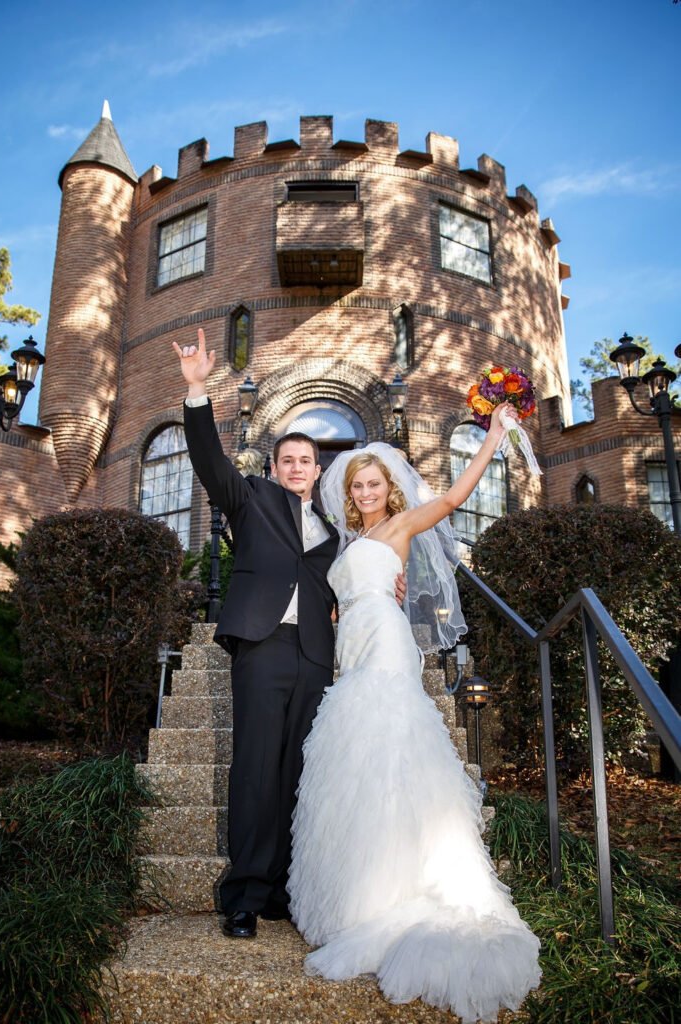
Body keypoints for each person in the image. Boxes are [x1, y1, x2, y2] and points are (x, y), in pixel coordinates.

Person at [288, 406, 541, 1023]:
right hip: (353, 650)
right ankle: (361, 887)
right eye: (357, 486)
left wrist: (494, 438)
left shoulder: (402, 525)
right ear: (349, 494)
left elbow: (454, 497)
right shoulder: (348, 542)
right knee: (357, 766)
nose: (366, 492)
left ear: (390, 488)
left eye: (374, 483)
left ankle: (403, 888)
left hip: (387, 648)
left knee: (392, 752)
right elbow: (344, 592)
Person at [172, 330, 404, 939]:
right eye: (287, 461)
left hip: (315, 657)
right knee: (253, 767)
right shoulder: (250, 500)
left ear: (318, 469)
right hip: (262, 647)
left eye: (306, 461)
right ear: (274, 469)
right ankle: (243, 895)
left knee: (296, 770)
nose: (297, 468)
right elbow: (207, 461)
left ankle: (277, 887)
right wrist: (197, 389)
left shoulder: (334, 532)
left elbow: (355, 578)